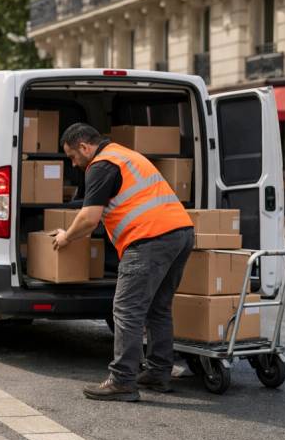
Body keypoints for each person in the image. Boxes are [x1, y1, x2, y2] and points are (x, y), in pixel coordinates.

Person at [53, 123, 194, 402]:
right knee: (158, 308)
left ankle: (122, 380)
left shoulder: (101, 165)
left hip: (149, 239)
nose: (73, 163)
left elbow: (89, 218)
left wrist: (66, 237)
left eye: (72, 156)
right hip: (182, 233)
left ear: (84, 147)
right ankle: (158, 372)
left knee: (127, 309)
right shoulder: (124, 155)